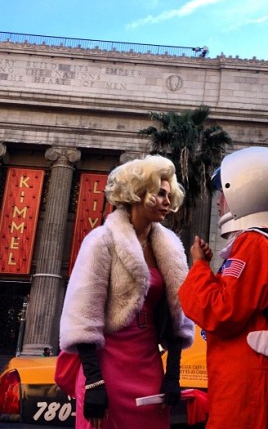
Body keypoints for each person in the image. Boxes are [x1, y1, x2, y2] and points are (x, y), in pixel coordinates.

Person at [59, 155, 194, 429]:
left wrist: (173, 375)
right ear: (137, 193)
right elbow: (83, 316)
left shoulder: (170, 247)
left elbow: (179, 319)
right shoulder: (101, 241)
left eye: (170, 195)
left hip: (148, 366)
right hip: (105, 367)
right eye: (160, 193)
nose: (167, 201)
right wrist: (94, 382)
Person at [178, 147, 268, 428]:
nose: (220, 202)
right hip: (266, 381)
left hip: (250, 389)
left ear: (246, 192)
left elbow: (221, 312)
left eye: (224, 192)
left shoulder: (254, 243)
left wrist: (199, 267)